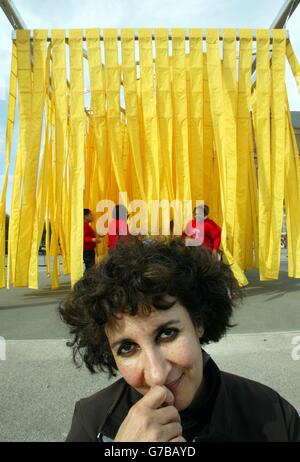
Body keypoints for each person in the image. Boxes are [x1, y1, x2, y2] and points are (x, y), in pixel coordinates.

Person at [59, 237, 300, 442]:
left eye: (167, 334)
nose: (157, 374)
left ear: (198, 323)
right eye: (127, 348)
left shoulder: (273, 416)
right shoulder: (92, 423)